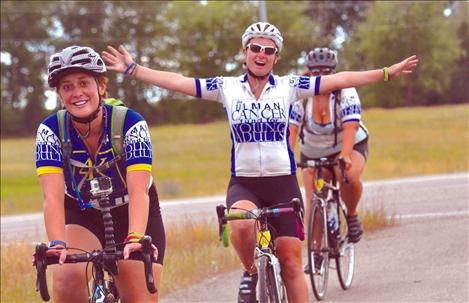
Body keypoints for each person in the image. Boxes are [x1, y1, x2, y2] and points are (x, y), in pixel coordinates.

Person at [102, 22, 417, 303]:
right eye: (256, 47)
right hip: (244, 182)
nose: (262, 54)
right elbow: (179, 81)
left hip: (283, 183)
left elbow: (341, 79)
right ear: (245, 51)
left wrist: (386, 72)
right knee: (239, 225)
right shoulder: (226, 88)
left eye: (269, 50)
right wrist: (133, 69)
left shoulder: (289, 87)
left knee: (293, 263)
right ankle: (251, 271)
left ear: (276, 57)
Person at [35, 45, 165, 302]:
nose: (77, 93)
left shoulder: (131, 123)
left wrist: (136, 237)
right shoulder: (50, 131)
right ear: (60, 94)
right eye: (67, 87)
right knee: (67, 281)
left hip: (132, 210)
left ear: (101, 87)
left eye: (84, 83)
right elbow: (52, 197)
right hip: (82, 212)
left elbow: (139, 192)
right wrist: (57, 244)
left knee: (139, 297)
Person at [289, 47, 369, 273]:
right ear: (309, 73)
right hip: (313, 151)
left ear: (335, 72)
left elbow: (351, 127)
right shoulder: (301, 95)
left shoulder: (346, 92)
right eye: (316, 73)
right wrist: (287, 157)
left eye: (327, 72)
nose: (321, 77)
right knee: (313, 197)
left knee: (348, 176)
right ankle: (315, 253)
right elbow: (292, 131)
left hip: (348, 144)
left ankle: (351, 216)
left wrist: (344, 156)